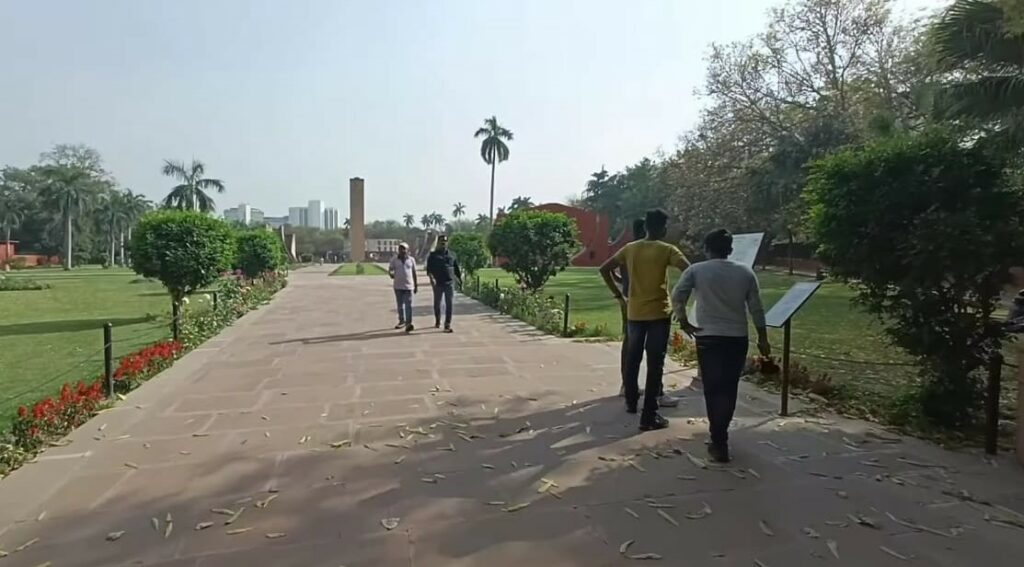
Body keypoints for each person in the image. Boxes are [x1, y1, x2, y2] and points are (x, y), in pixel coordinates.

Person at [671, 228, 770, 463]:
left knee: (713, 388)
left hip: (709, 336)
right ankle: (720, 434)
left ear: (706, 249)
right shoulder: (745, 272)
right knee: (729, 387)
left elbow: (677, 296)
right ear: (730, 250)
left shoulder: (696, 270)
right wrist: (763, 338)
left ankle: (719, 439)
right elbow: (756, 308)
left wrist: (684, 321)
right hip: (736, 336)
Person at [600, 209, 689, 431]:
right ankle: (649, 414)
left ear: (646, 226)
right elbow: (689, 270)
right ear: (662, 228)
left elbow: (604, 268)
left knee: (633, 357)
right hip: (658, 312)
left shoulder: (630, 249)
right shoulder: (667, 249)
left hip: (635, 311)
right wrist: (679, 295)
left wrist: (619, 295)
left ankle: (631, 401)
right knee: (655, 362)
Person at [612, 219, 672, 406]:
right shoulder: (649, 251)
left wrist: (620, 291)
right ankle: (657, 393)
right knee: (655, 353)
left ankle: (627, 388)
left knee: (630, 346)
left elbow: (614, 272)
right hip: (652, 307)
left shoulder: (628, 251)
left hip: (631, 303)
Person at [426, 234, 462, 333]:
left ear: (447, 243)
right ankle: (438, 319)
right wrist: (431, 278)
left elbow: (456, 268)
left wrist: (459, 279)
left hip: (449, 283)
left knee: (449, 304)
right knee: (437, 304)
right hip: (438, 283)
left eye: (445, 242)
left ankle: (447, 324)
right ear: (438, 243)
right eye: (441, 242)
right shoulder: (433, 256)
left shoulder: (451, 255)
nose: (443, 244)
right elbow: (429, 269)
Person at [388, 243, 419, 333]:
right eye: (400, 249)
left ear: (407, 250)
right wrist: (391, 273)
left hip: (408, 286)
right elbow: (390, 269)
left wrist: (416, 285)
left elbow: (414, 273)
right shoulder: (394, 260)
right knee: (400, 305)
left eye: (404, 249)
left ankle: (409, 323)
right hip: (398, 286)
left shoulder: (411, 260)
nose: (402, 251)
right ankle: (401, 321)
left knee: (408, 305)